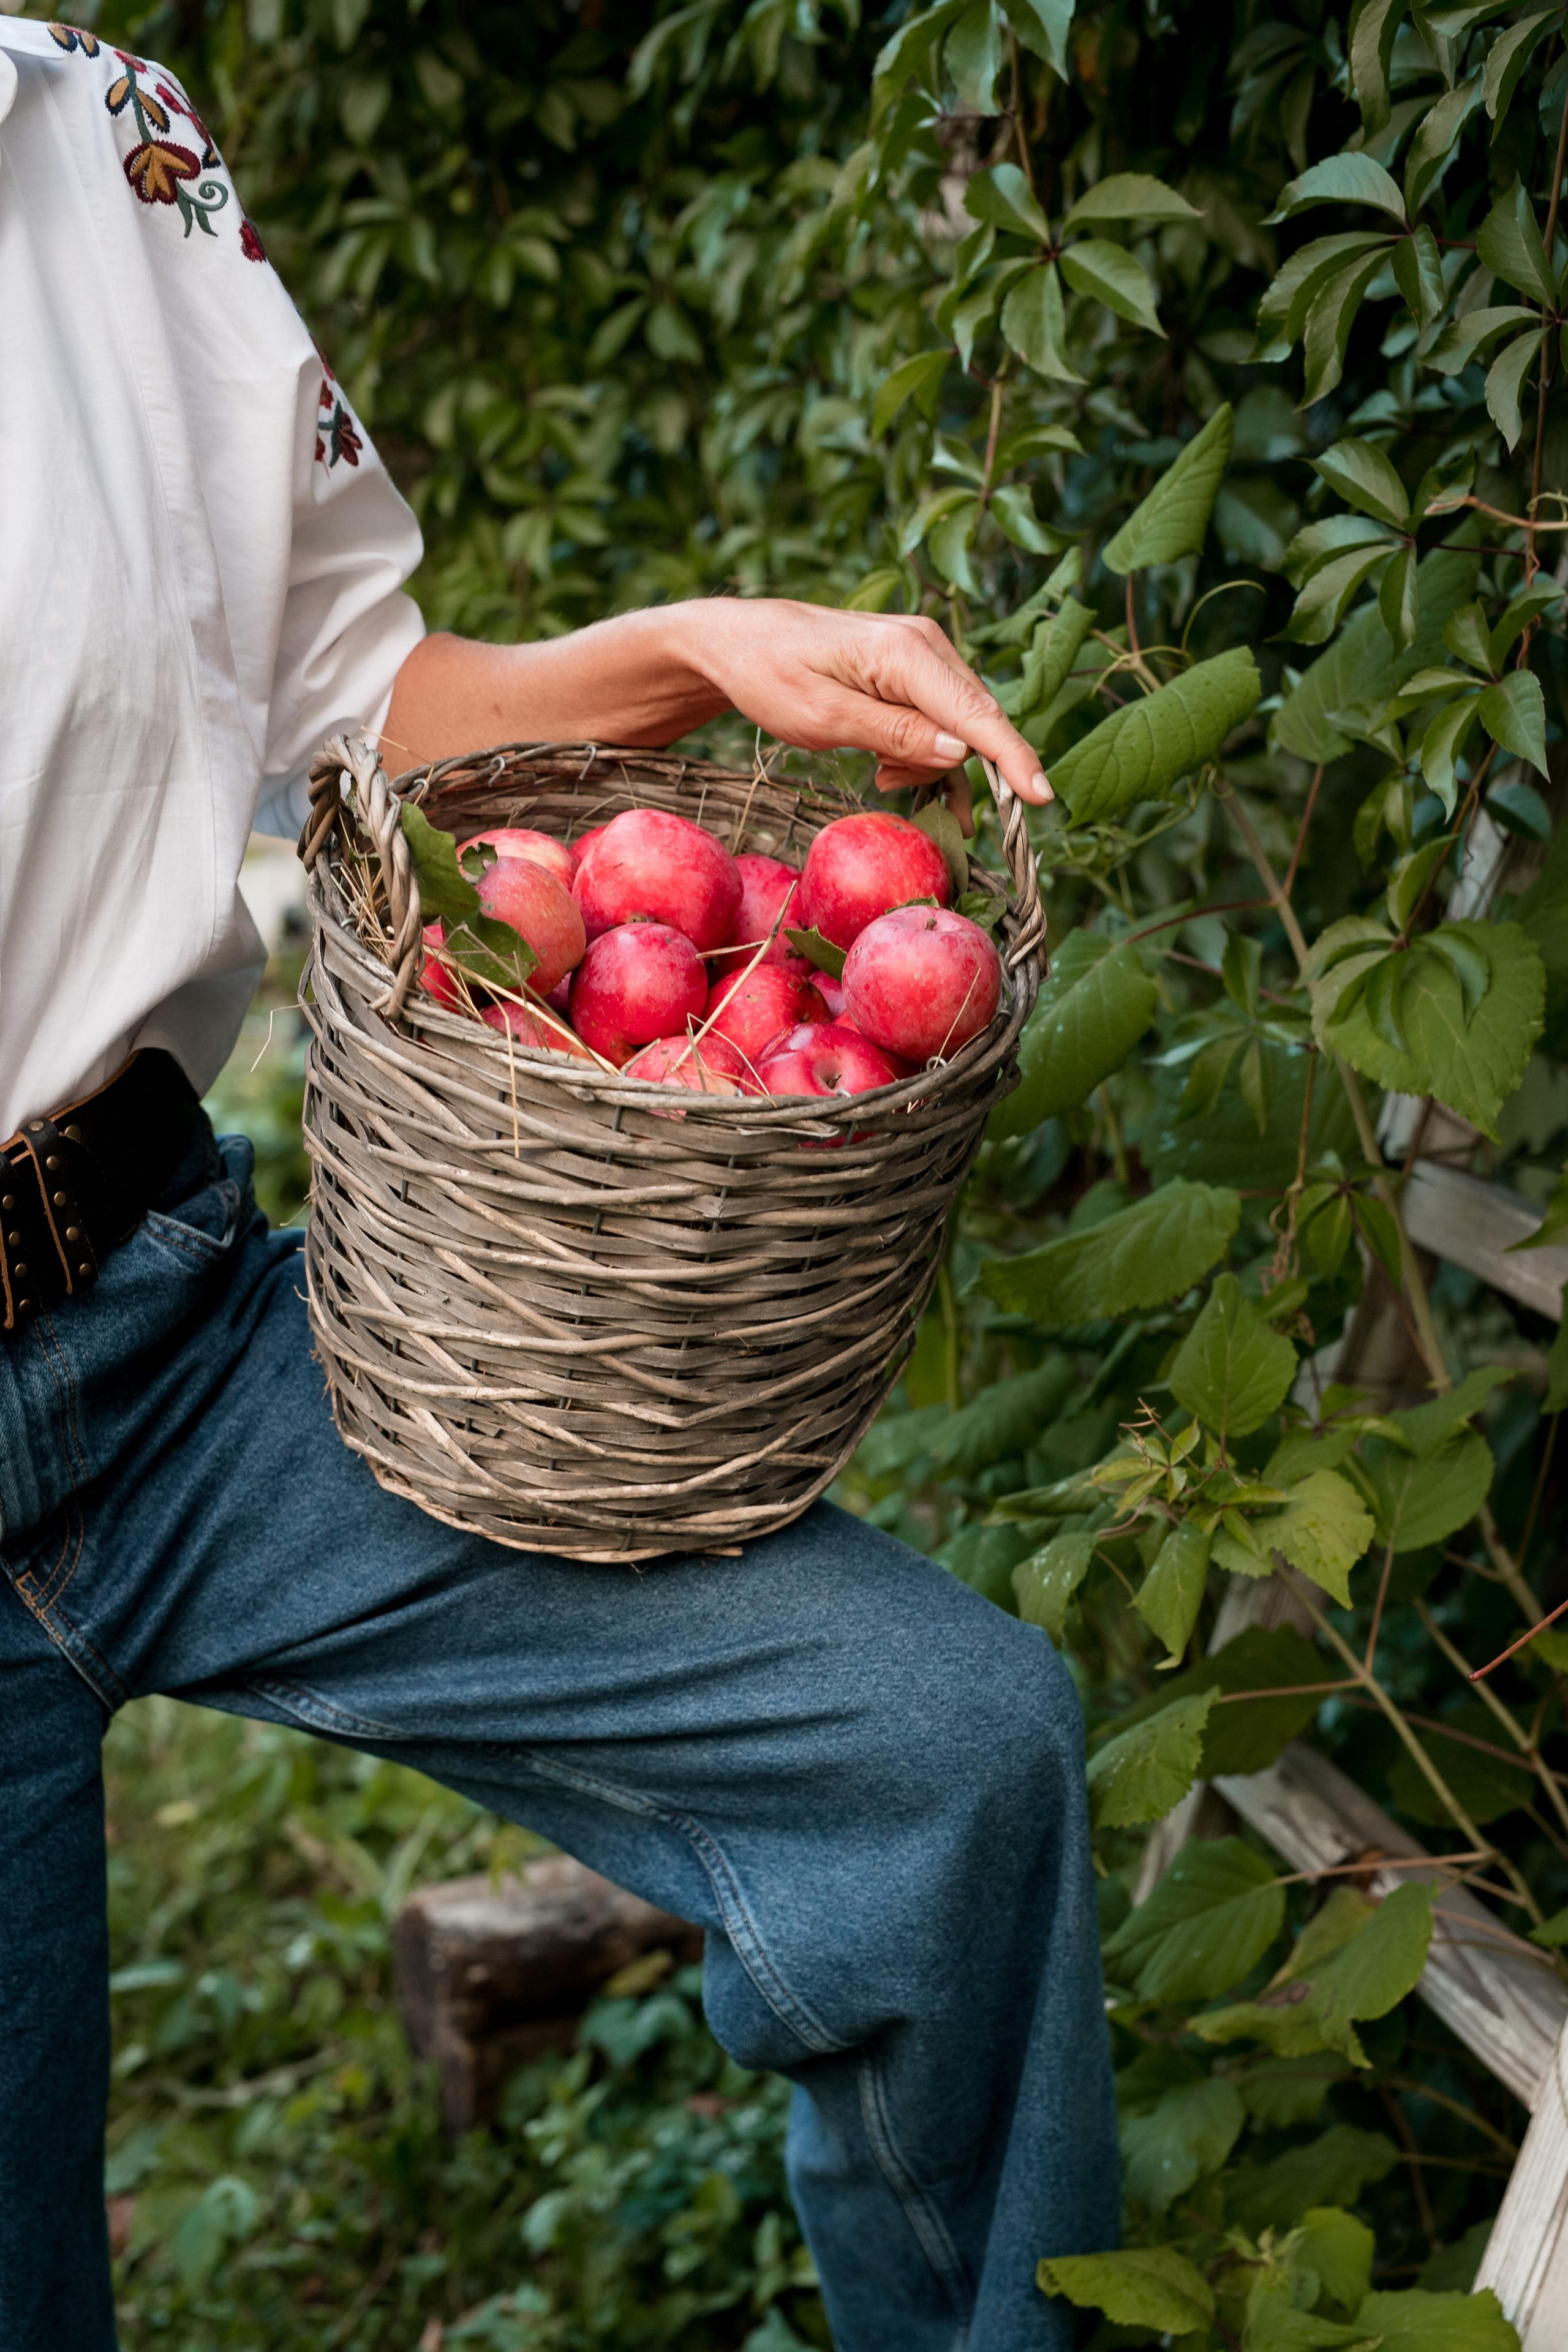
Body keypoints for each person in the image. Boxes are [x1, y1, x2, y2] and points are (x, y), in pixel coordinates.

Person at [0, 19, 1118, 2350]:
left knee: (945, 1751)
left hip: (159, 1339)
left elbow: (358, 704)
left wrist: (693, 649)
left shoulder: (90, 135)